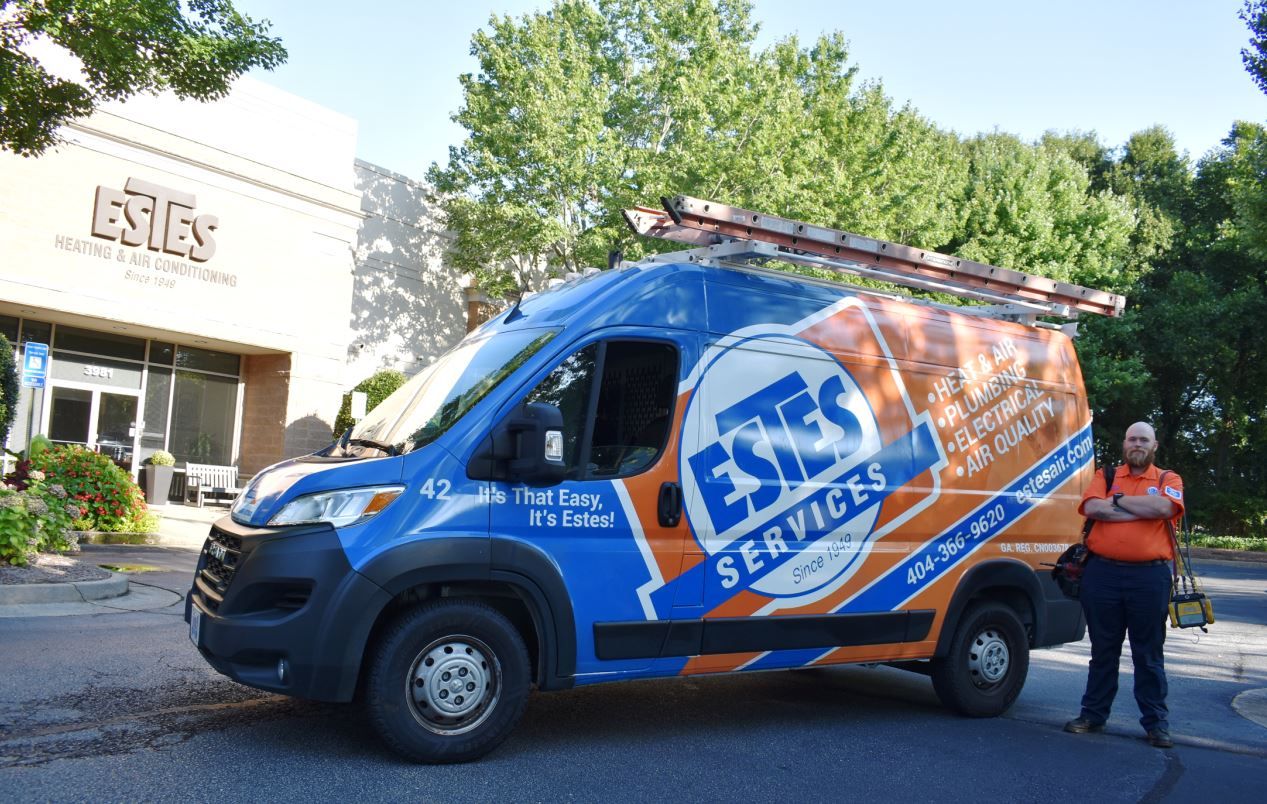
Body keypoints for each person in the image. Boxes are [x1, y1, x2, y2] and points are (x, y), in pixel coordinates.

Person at [1064, 422, 1184, 749]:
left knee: (1148, 654)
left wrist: (1115, 504)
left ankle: (1156, 724)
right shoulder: (1105, 475)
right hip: (1102, 575)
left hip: (1150, 577)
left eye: (1143, 439)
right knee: (1103, 651)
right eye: (1132, 438)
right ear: (1124, 443)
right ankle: (1092, 715)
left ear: (1154, 445)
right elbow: (1091, 508)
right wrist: (1139, 509)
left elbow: (1164, 507)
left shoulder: (1167, 479)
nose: (1137, 444)